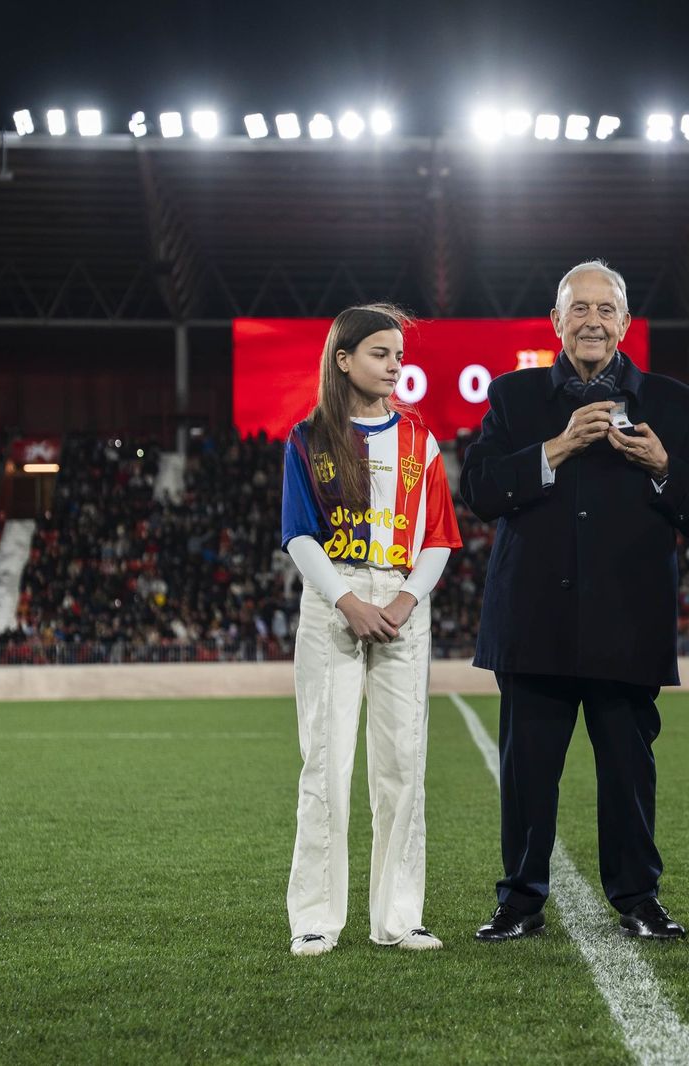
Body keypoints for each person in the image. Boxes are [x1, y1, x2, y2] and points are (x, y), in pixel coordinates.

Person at [461, 260, 689, 942]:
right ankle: (519, 902)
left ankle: (639, 898)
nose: (593, 321)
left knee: (629, 776)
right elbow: (478, 492)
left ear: (626, 324)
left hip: (628, 626)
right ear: (556, 321)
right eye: (580, 309)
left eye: (607, 310)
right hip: (534, 623)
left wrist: (665, 466)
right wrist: (556, 447)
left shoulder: (675, 405)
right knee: (527, 776)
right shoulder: (513, 399)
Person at [279, 304, 462, 957]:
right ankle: (316, 917)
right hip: (335, 600)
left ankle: (398, 917)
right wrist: (346, 599)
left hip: (403, 605)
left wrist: (408, 600)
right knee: (324, 763)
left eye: (399, 356)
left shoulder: (422, 440)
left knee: (402, 766)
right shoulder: (307, 439)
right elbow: (298, 534)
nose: (394, 366)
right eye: (381, 354)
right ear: (343, 358)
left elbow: (438, 537)